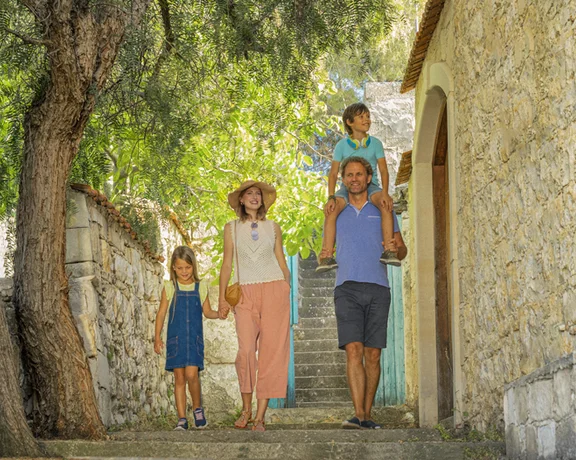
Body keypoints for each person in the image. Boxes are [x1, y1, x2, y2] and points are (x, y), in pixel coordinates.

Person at [333, 156, 407, 429]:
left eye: (359, 174)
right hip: (346, 288)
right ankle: (359, 415)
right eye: (349, 175)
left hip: (379, 287)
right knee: (353, 349)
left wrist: (394, 247)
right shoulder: (336, 210)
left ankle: (368, 412)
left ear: (368, 178)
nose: (354, 179)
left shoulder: (383, 208)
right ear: (343, 180)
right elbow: (327, 245)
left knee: (373, 353)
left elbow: (402, 251)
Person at [218, 180, 291, 433]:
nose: (254, 197)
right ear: (241, 199)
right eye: (249, 193)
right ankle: (246, 408)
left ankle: (260, 417)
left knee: (272, 353)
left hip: (274, 290)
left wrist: (286, 284)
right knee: (246, 351)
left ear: (263, 200)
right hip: (245, 293)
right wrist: (222, 299)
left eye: (258, 194)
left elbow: (281, 259)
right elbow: (226, 265)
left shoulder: (274, 227)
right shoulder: (230, 229)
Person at [316, 102, 400, 272]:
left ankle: (389, 250)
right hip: (346, 188)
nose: (366, 120)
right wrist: (331, 196)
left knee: (385, 205)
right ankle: (327, 255)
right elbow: (333, 173)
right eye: (361, 117)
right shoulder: (341, 146)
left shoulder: (375, 143)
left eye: (368, 116)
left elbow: (383, 169)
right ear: (349, 122)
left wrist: (385, 192)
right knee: (331, 210)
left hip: (371, 186)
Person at [154, 246, 220, 430]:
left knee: (192, 374)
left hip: (194, 340)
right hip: (176, 339)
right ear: (174, 268)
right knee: (179, 378)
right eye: (180, 268)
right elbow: (161, 314)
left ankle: (197, 408)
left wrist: (220, 314)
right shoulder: (169, 287)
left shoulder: (202, 287)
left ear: (193, 267)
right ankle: (182, 419)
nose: (184, 272)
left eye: (187, 268)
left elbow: (207, 312)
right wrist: (157, 337)